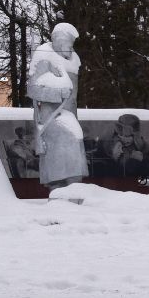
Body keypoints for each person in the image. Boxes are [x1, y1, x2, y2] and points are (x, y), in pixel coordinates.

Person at [28, 22, 88, 189]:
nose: (70, 49)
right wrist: (58, 93)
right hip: (50, 117)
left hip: (69, 115)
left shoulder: (74, 60)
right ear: (58, 41)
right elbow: (33, 89)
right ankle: (60, 190)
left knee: (76, 147)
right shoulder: (44, 55)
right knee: (67, 147)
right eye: (68, 44)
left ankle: (73, 191)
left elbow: (73, 98)